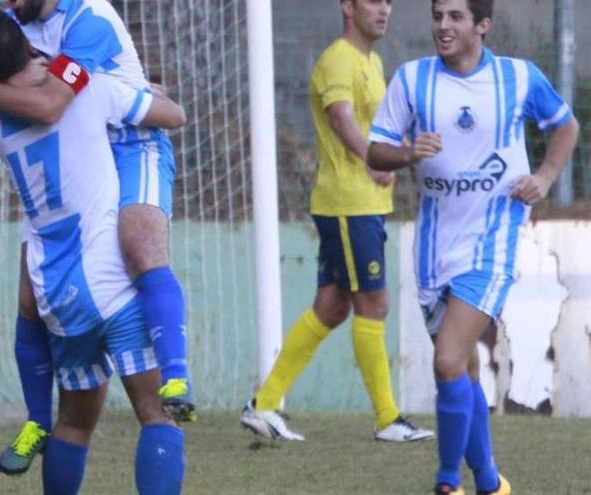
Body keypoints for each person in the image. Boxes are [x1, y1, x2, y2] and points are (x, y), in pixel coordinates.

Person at [0, 0, 194, 473]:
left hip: (129, 140)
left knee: (139, 243)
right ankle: (36, 420)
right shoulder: (15, 25)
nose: (8, 5)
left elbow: (50, 103)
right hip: (76, 153)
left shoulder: (89, 22)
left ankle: (176, 375)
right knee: (29, 299)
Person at [367, 0, 579, 492]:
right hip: (434, 244)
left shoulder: (517, 78)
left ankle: (446, 481)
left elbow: (565, 126)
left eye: (456, 17)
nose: (443, 25)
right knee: (461, 365)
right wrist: (405, 152)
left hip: (492, 240)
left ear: (482, 25)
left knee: (445, 360)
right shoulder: (412, 79)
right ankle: (488, 480)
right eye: (438, 15)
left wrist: (545, 177)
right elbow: (375, 149)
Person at [240, 0, 433, 443]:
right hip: (348, 204)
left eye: (389, 2)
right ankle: (387, 419)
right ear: (347, 6)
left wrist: (395, 149)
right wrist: (371, 157)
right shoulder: (336, 60)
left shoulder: (373, 60)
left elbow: (376, 124)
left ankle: (265, 404)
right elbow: (341, 117)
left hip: (362, 204)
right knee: (374, 302)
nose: (384, 9)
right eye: (374, 1)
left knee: (331, 305)